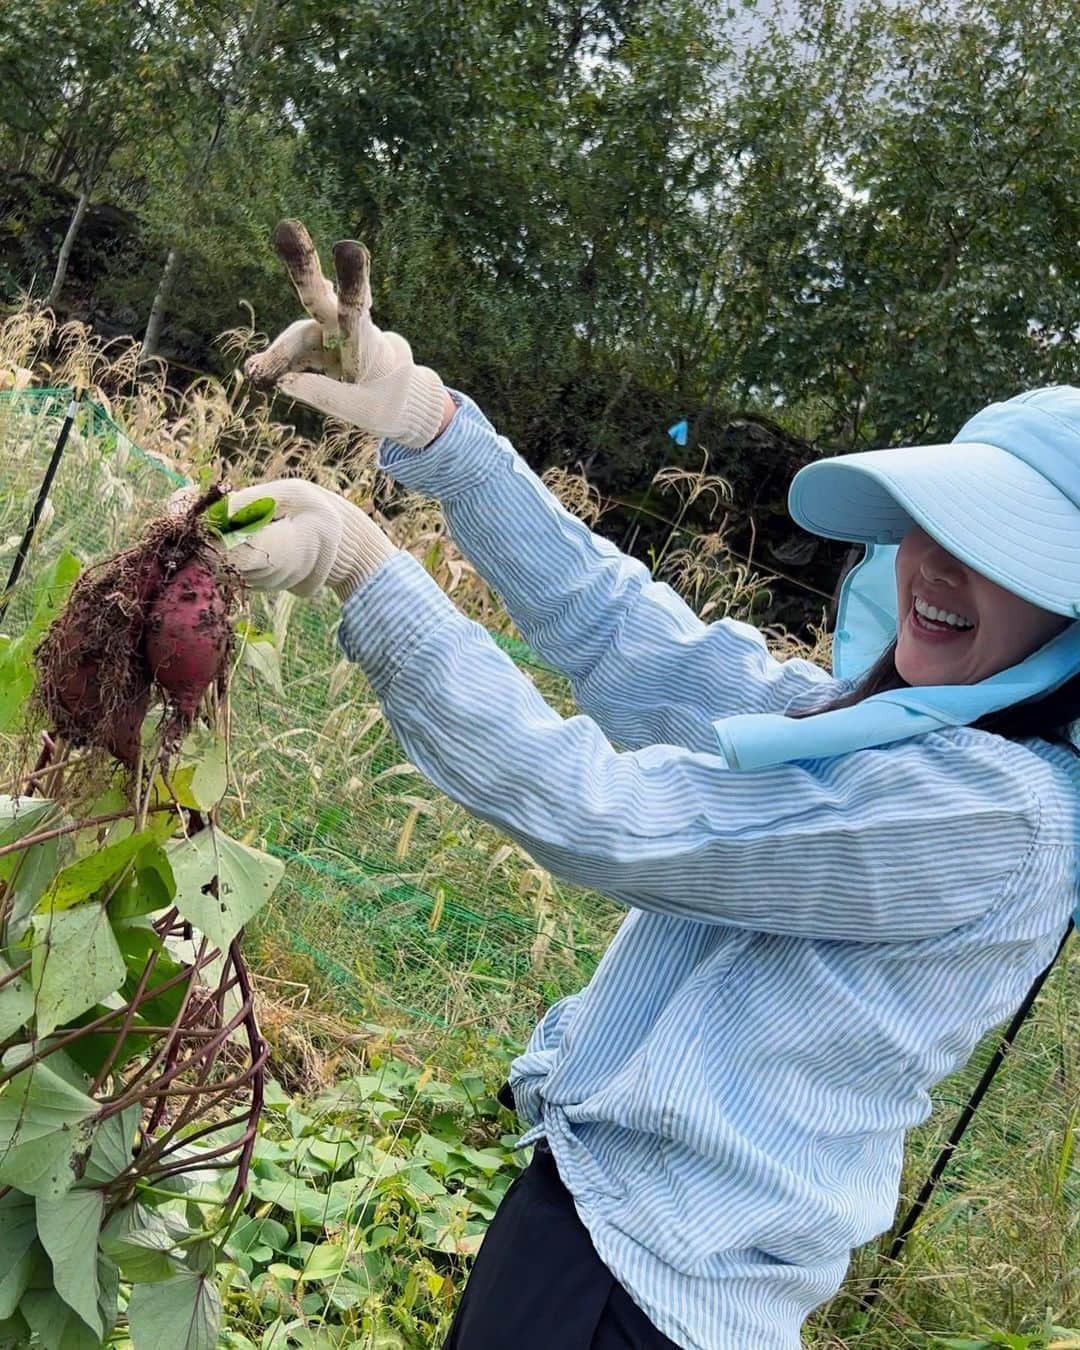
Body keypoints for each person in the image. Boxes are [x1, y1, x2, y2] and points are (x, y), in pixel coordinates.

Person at [217, 222, 1080, 1350]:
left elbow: (608, 816)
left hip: (645, 1302)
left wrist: (366, 571)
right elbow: (631, 638)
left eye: (1005, 549)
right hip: (594, 1236)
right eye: (935, 523)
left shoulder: (996, 813)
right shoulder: (887, 729)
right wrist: (434, 428)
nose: (941, 567)